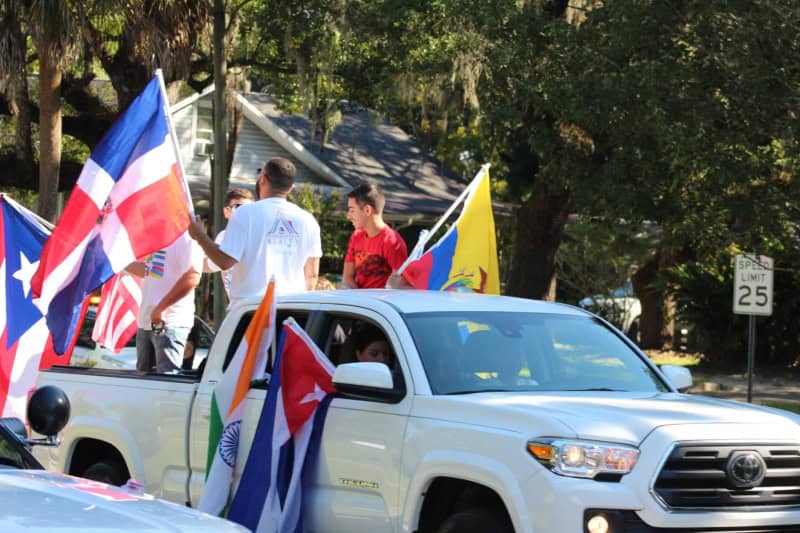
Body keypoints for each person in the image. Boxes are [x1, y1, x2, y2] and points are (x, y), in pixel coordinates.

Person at [188, 157, 322, 305]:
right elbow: (312, 276)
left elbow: (224, 262)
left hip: (250, 310)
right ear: (290, 187)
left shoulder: (245, 213)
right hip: (292, 312)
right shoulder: (309, 221)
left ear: (262, 179)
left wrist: (200, 236)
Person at [127, 233, 204, 373]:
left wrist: (160, 308)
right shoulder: (159, 238)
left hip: (169, 324)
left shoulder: (187, 239)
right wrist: (122, 264)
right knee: (143, 384)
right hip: (147, 322)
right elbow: (150, 271)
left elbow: (192, 276)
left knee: (167, 383)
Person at [342, 182, 408, 289]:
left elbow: (400, 285)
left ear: (367, 210)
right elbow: (347, 278)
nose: (348, 215)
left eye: (352, 210)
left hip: (380, 304)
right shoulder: (356, 236)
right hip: (361, 303)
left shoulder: (392, 241)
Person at [204, 188, 256, 297]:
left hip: (259, 306)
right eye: (239, 208)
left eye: (250, 209)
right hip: (238, 308)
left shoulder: (259, 236)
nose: (245, 213)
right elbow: (209, 265)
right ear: (226, 212)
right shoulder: (223, 236)